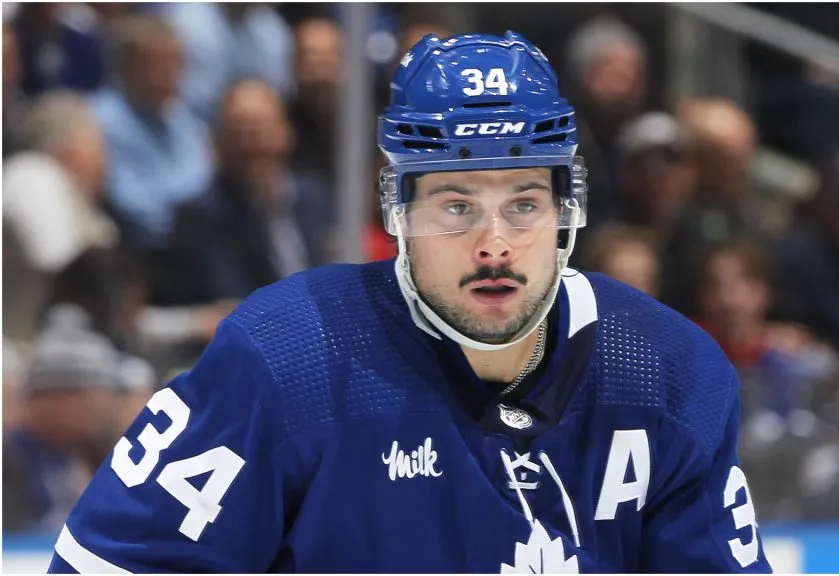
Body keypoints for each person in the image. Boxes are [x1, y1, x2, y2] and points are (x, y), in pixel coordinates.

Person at [49, 32, 771, 573]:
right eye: (456, 206)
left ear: (565, 211)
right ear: (396, 212)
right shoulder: (285, 359)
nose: (494, 245)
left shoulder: (669, 375)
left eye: (523, 204)